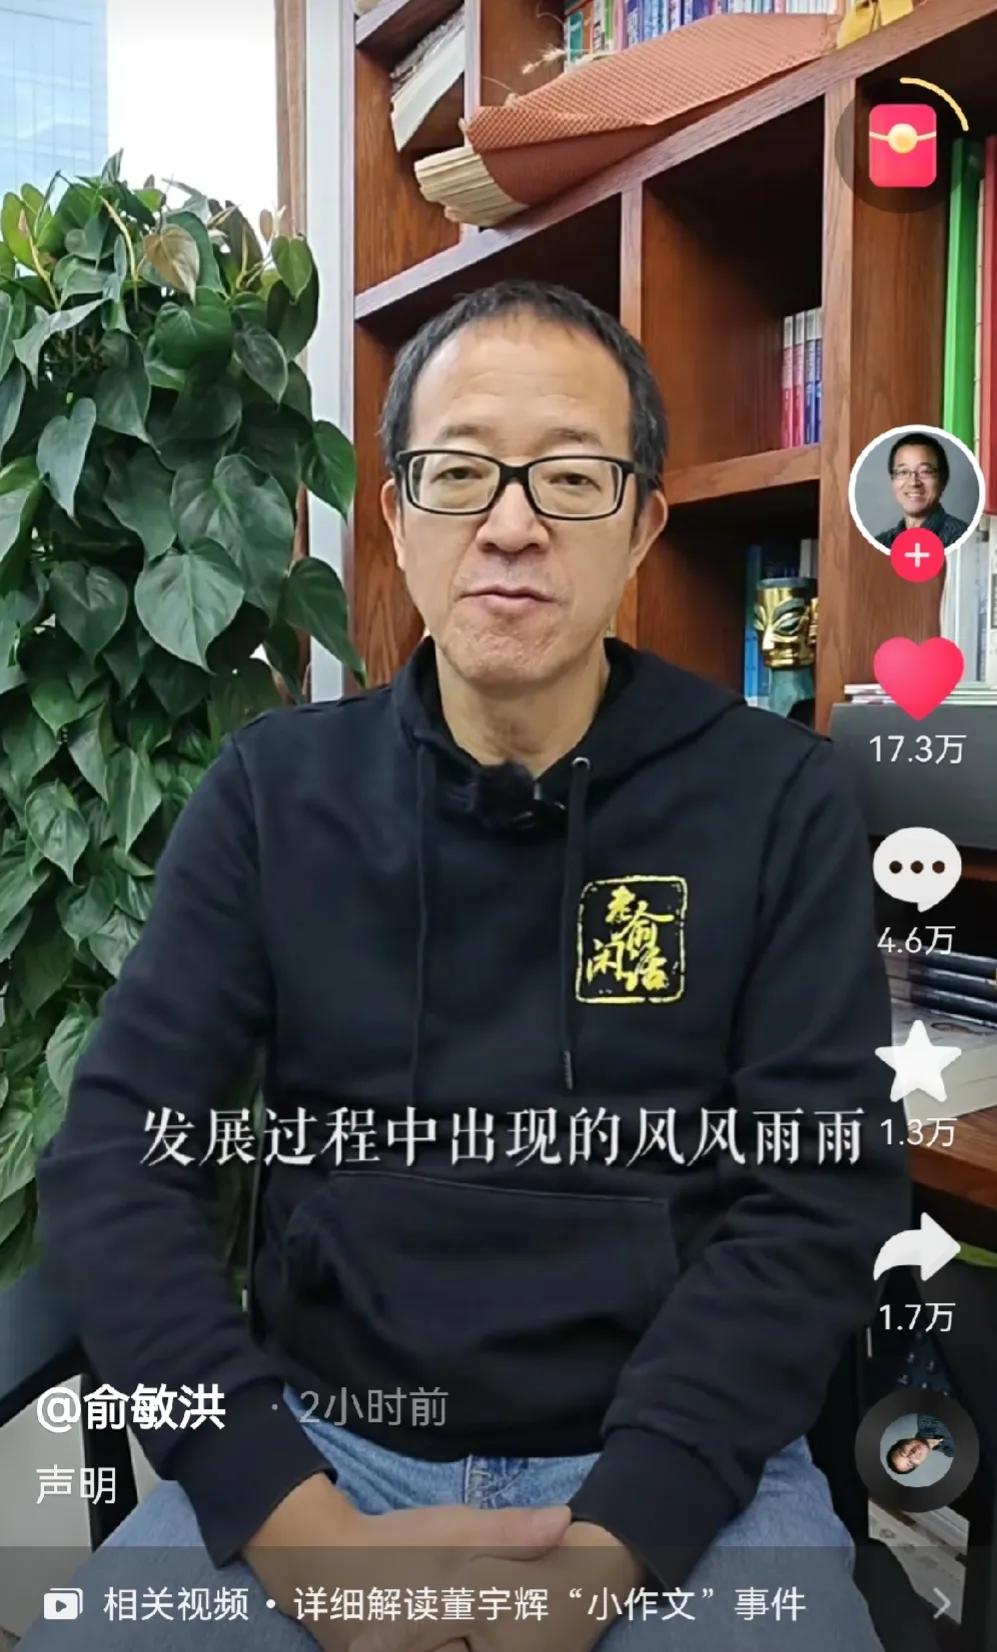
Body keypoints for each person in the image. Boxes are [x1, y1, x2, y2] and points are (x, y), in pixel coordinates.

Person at [26, 280, 909, 1652]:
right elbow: (114, 1166)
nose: (510, 523)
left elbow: (818, 1193)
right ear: (397, 516)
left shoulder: (774, 798)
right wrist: (306, 1541)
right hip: (325, 1452)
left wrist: (610, 1549)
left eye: (570, 475)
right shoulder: (273, 796)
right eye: (458, 473)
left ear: (641, 522)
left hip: (672, 1469)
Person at [875, 431, 970, 549]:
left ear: (943, 480)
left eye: (925, 471)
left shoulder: (964, 539)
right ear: (892, 480)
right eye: (903, 472)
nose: (913, 482)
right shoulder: (881, 543)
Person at [887, 1418, 956, 1477]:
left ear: (904, 1441)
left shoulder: (927, 1417)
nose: (912, 1454)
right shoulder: (951, 1452)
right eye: (911, 1462)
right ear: (919, 1464)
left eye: (903, 1453)